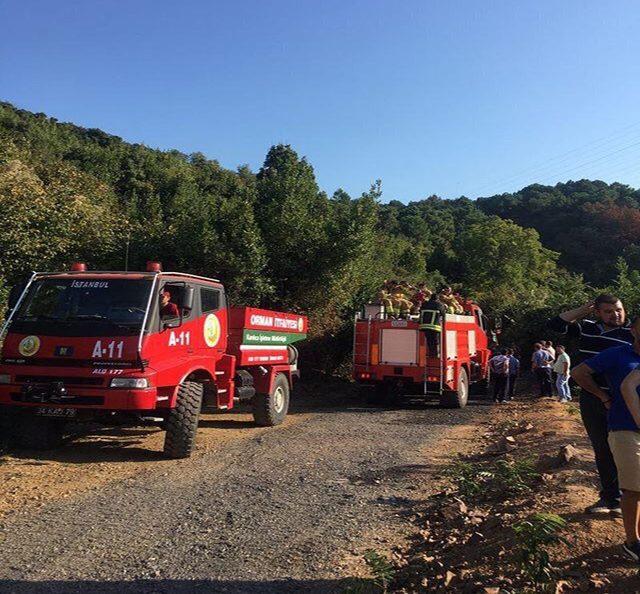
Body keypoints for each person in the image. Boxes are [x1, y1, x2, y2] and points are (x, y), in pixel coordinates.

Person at [549, 294, 631, 516]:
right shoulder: (586, 327)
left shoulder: (631, 332)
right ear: (597, 312)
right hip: (592, 397)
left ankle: (631, 499)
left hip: (624, 399)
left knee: (628, 448)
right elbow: (555, 324)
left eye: (619, 310)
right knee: (602, 448)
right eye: (608, 311)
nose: (616, 315)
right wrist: (583, 310)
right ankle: (611, 499)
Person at [571, 316, 640, 559]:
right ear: (633, 329)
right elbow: (579, 372)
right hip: (626, 428)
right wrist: (603, 397)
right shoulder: (618, 354)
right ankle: (632, 541)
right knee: (634, 489)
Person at [420, 292, 447, 357]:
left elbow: (420, 312)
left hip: (424, 326)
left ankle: (429, 354)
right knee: (435, 341)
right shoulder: (439, 304)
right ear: (437, 299)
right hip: (434, 327)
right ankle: (434, 355)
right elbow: (443, 314)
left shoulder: (425, 304)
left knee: (429, 341)